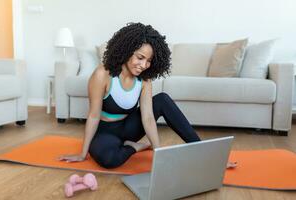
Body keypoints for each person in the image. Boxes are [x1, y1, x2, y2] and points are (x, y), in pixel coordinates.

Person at [58, 22, 231, 169]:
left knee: (162, 99)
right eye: (140, 57)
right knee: (109, 160)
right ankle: (136, 147)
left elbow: (148, 118)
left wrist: (159, 153)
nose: (143, 65)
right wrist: (82, 153)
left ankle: (203, 152)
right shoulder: (103, 74)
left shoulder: (144, 80)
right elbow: (94, 115)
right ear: (127, 50)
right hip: (105, 132)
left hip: (129, 128)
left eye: (148, 61)